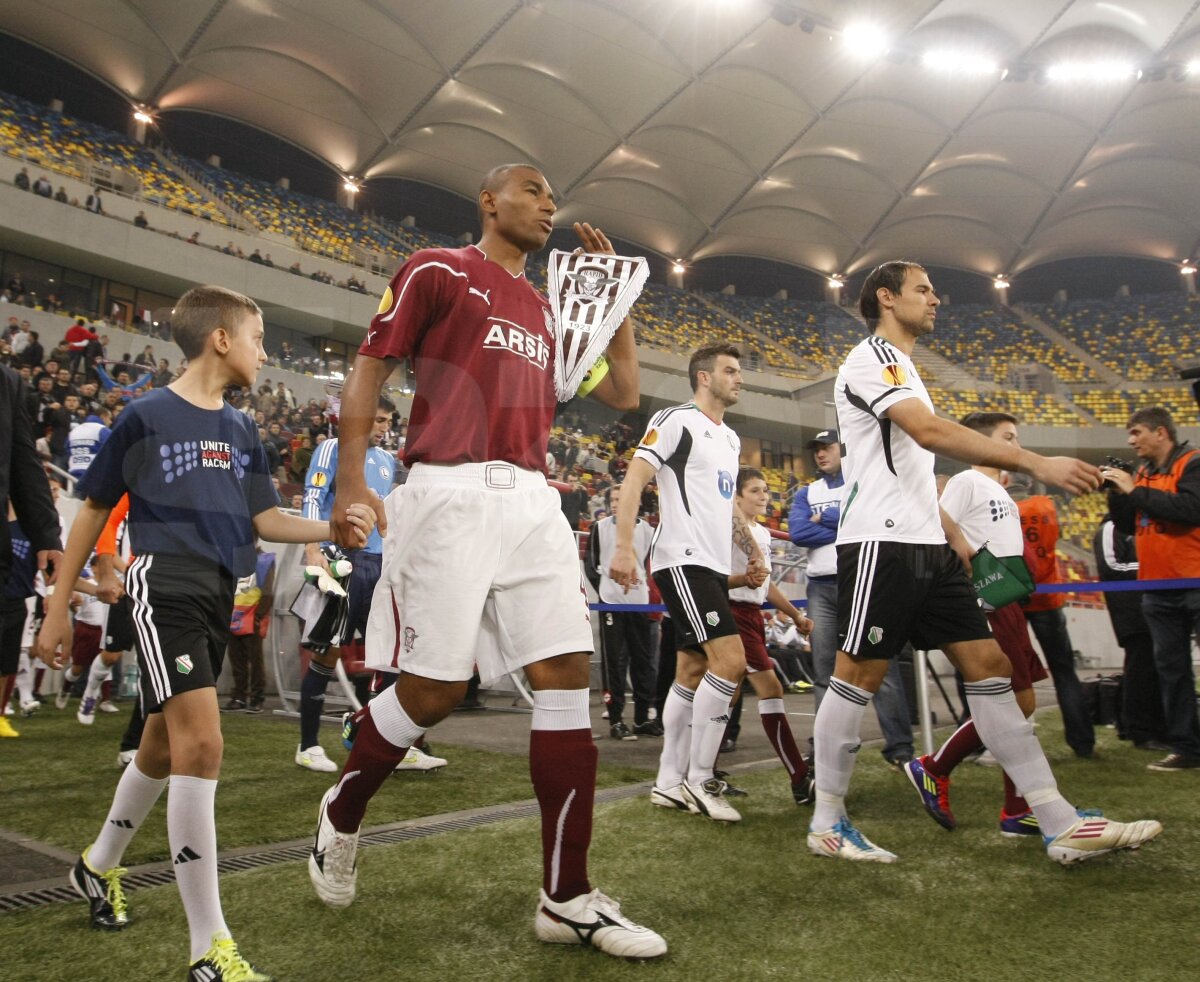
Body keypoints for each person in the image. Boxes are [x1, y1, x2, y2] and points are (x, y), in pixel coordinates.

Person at [307, 163, 666, 960]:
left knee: (567, 672)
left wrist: (614, 302)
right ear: (488, 200)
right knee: (433, 692)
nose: (547, 203)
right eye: (532, 190)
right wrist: (354, 480)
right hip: (449, 491)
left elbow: (623, 393)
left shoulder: (549, 310)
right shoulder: (437, 269)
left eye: (551, 196)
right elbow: (372, 365)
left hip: (534, 499)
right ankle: (343, 807)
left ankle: (566, 896)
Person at [35, 284, 376, 981]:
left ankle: (96, 867)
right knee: (203, 744)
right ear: (220, 339)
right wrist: (59, 605)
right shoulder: (145, 416)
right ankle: (209, 950)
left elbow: (264, 520)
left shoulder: (243, 430)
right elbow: (92, 510)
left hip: (218, 593)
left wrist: (331, 528)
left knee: (163, 746)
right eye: (257, 339)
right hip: (163, 587)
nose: (264, 353)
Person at [806, 260, 1161, 865]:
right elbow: (928, 432)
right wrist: (1035, 462)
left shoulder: (905, 366)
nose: (936, 299)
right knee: (857, 675)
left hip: (929, 546)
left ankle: (1057, 822)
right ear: (887, 298)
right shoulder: (871, 357)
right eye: (923, 290)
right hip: (881, 544)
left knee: (992, 667)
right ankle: (827, 823)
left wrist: (954, 534)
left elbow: (917, 458)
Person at [611, 344, 767, 823]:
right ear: (703, 377)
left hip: (712, 566)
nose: (739, 378)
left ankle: (667, 782)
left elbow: (726, 506)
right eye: (730, 371)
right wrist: (623, 546)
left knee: (692, 670)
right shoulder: (676, 420)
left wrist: (751, 546)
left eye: (739, 371)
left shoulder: (731, 439)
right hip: (682, 561)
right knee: (731, 663)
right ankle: (700, 780)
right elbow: (634, 480)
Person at [904, 412, 1052, 838]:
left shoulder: (998, 489)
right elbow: (937, 525)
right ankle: (937, 769)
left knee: (1021, 702)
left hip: (1007, 598)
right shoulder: (968, 481)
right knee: (1013, 701)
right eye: (1008, 438)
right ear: (979, 442)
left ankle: (1013, 807)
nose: (1016, 446)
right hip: (986, 601)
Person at [297, 395, 443, 772]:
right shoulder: (332, 449)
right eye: (378, 420)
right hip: (341, 562)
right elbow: (313, 497)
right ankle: (308, 745)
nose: (384, 427)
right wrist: (312, 550)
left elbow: (389, 516)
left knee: (392, 656)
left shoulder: (386, 461)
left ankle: (392, 745)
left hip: (378, 565)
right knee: (327, 654)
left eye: (388, 421)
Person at [788, 428, 914, 768]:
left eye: (826, 447)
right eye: (816, 449)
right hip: (821, 586)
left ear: (843, 449)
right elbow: (799, 532)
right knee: (824, 670)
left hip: (864, 581)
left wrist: (825, 517)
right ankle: (824, 746)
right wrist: (844, 520)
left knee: (880, 665)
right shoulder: (807, 492)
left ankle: (900, 748)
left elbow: (871, 521)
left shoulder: (864, 482)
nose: (820, 454)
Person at [1103, 406, 1200, 771]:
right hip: (1157, 587)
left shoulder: (1192, 463)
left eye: (1137, 433)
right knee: (1171, 671)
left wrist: (1135, 489)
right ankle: (1187, 748)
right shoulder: (1143, 473)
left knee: (1176, 669)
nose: (1131, 441)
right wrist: (1118, 493)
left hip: (1194, 581)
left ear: (1161, 433)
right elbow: (1129, 525)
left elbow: (1190, 509)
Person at [727, 467, 815, 804]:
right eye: (754, 490)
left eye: (765, 490)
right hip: (732, 611)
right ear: (736, 497)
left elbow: (766, 585)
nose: (764, 496)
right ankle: (798, 775)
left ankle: (700, 770)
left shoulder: (762, 534)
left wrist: (795, 615)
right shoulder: (726, 526)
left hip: (751, 615)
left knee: (727, 695)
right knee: (770, 688)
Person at [1011, 478, 1095, 757]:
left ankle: (1009, 742)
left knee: (1010, 673)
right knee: (1064, 672)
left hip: (1014, 597)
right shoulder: (1046, 505)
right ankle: (1083, 743)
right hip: (1047, 595)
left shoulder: (1001, 507)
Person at [584, 485, 658, 739]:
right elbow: (591, 565)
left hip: (639, 601)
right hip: (611, 603)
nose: (616, 503)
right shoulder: (600, 528)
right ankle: (616, 719)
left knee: (642, 660)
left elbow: (647, 563)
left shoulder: (647, 530)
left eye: (621, 499)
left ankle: (642, 719)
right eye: (613, 499)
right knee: (614, 662)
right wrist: (607, 590)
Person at [1092, 512, 1167, 750]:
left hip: (1154, 605)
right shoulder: (1111, 527)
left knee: (1157, 669)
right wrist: (1153, 567)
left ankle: (1157, 728)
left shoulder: (1145, 526)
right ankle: (1140, 731)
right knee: (1141, 667)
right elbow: (1110, 567)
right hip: (1130, 610)